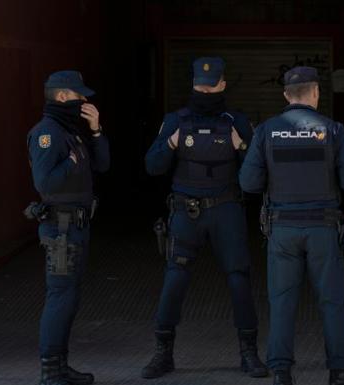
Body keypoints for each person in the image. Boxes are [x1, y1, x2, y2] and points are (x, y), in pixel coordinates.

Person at [239, 66, 344, 385]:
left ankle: (281, 372)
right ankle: (338, 373)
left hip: (282, 230)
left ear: (285, 95)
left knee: (281, 301)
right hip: (323, 229)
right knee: (333, 301)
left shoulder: (266, 131)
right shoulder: (334, 130)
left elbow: (249, 183)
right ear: (316, 93)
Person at [143, 57, 267, 379]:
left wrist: (241, 148)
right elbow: (152, 166)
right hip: (187, 211)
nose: (206, 91)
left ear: (223, 85)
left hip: (226, 210)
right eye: (200, 86)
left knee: (239, 278)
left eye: (211, 85)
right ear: (193, 85)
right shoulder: (175, 121)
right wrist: (170, 143)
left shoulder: (237, 121)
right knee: (175, 279)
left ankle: (249, 353)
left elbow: (257, 175)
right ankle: (162, 353)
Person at [27, 70, 110, 385]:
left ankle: (60, 367)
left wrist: (97, 130)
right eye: (79, 95)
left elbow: (103, 165)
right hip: (60, 229)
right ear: (62, 96)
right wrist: (72, 160)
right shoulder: (47, 133)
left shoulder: (71, 132)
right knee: (60, 296)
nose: (84, 101)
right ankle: (50, 371)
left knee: (69, 297)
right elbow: (45, 182)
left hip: (75, 227)